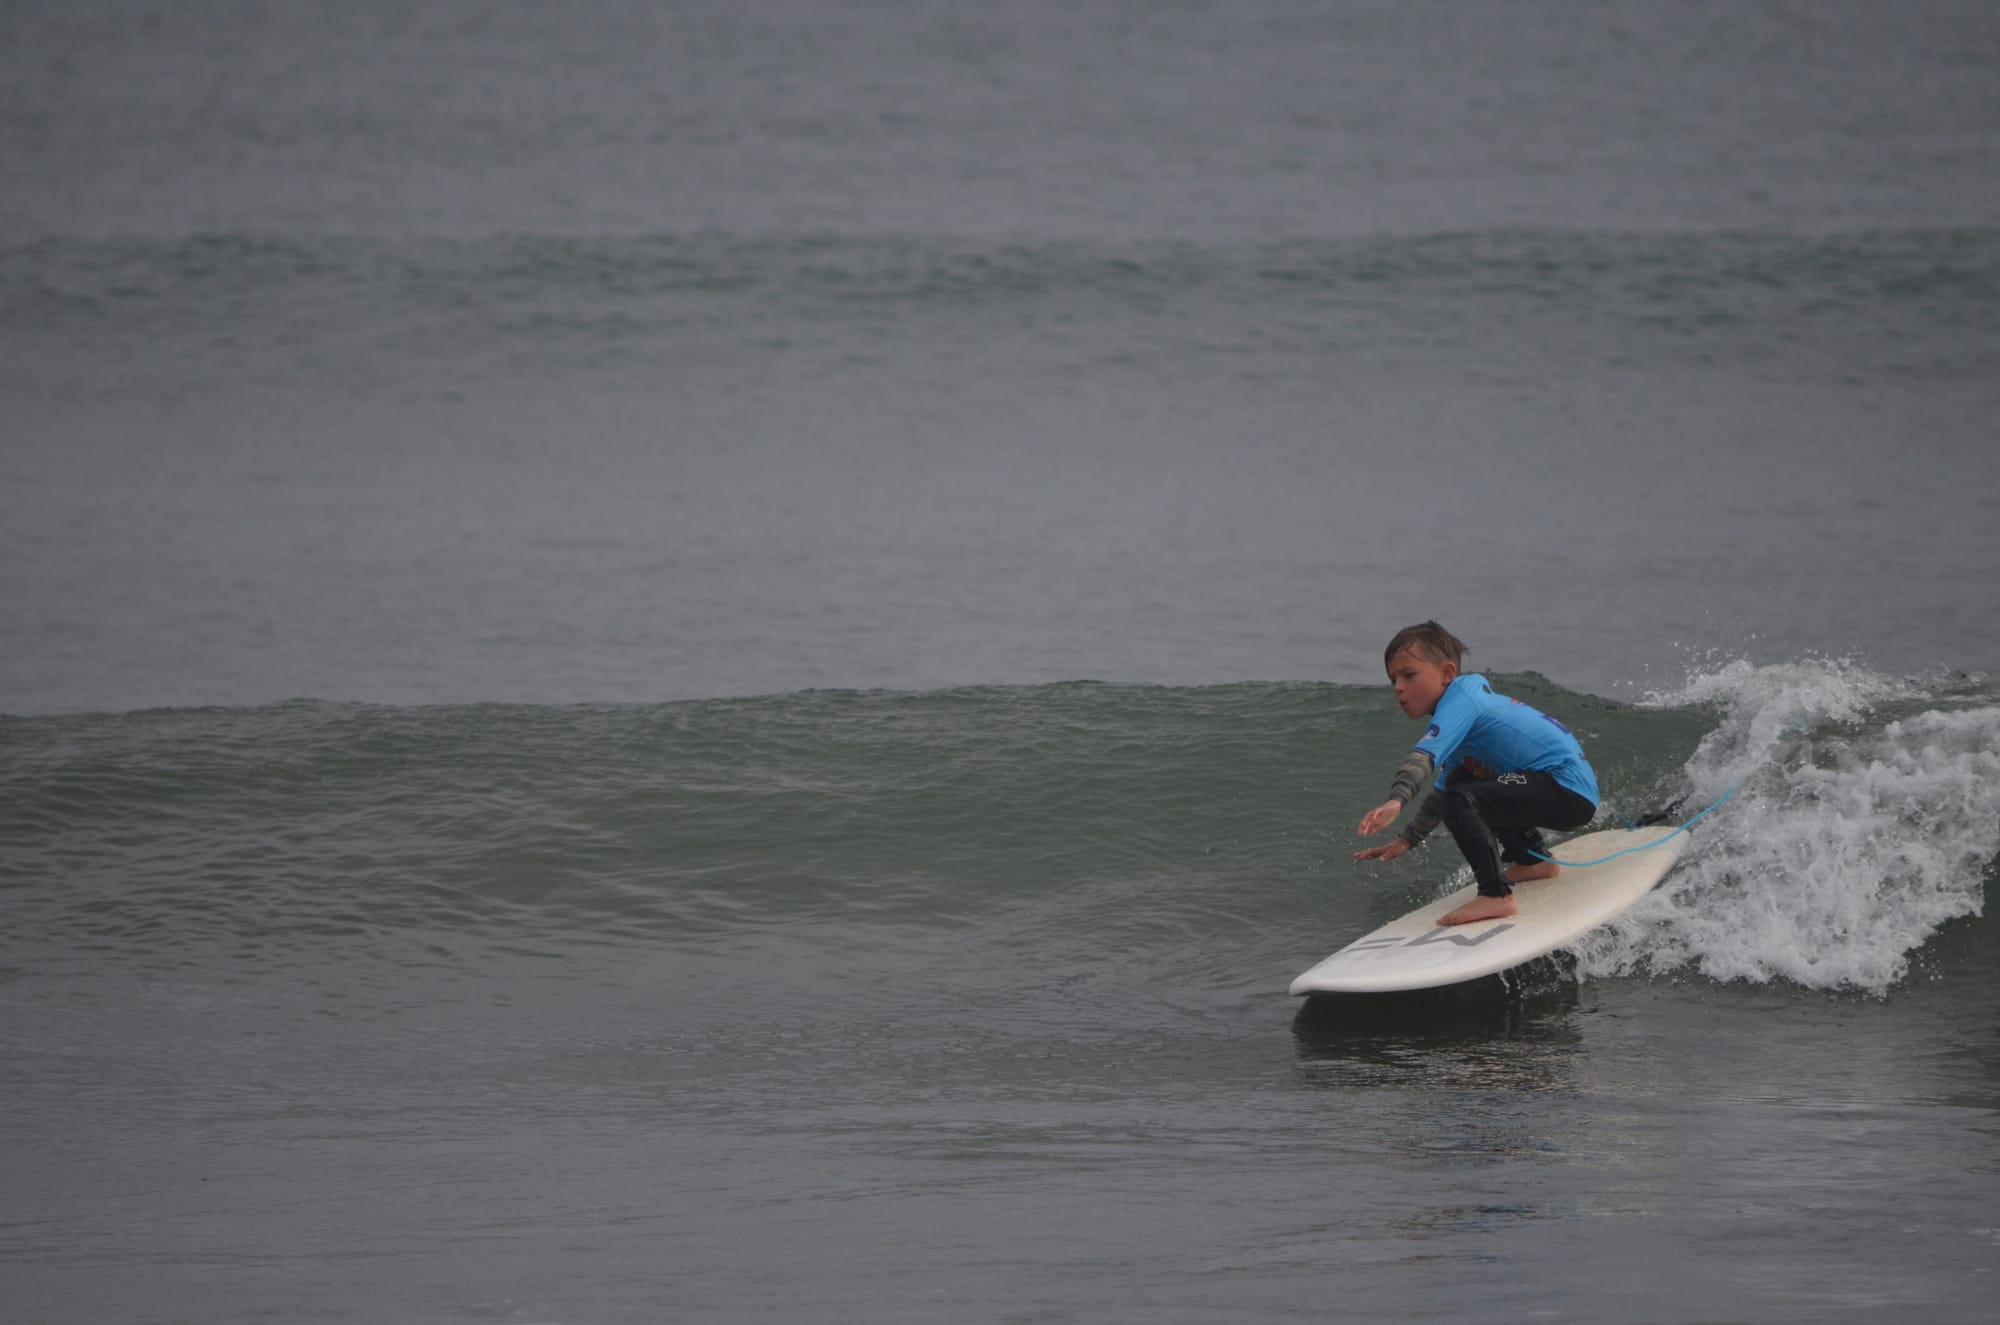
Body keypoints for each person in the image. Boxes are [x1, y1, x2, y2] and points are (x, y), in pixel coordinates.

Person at [1353, 622, 1599, 926]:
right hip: (1557, 788)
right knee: (1461, 782)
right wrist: (1407, 839)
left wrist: (1396, 801)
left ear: (1446, 673)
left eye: (1409, 675)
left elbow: (1423, 758)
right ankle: (1532, 861)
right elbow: (1443, 789)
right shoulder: (1464, 710)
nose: (1398, 687)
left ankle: (1495, 896)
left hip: (1566, 789)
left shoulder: (1462, 701)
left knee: (1464, 798)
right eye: (1393, 679)